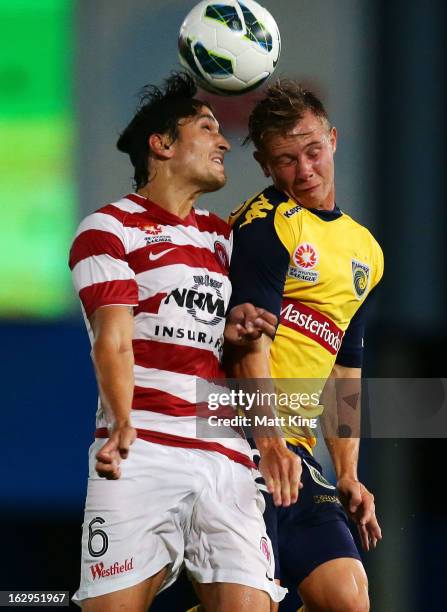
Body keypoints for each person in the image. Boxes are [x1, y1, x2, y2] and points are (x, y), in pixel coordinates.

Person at [69, 72, 301, 611]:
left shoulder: (222, 237)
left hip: (223, 454)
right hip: (142, 448)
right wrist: (122, 419)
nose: (224, 142)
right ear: (163, 144)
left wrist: (231, 330)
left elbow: (232, 347)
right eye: (207, 127)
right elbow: (114, 336)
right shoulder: (109, 228)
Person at [227, 80, 384, 612]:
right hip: (235, 441)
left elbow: (346, 369)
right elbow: (249, 344)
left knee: (348, 598)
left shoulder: (366, 250)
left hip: (295, 448)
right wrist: (268, 442)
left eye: (313, 151)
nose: (306, 170)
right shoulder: (264, 225)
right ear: (267, 168)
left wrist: (346, 472)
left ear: (334, 140)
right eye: (287, 160)